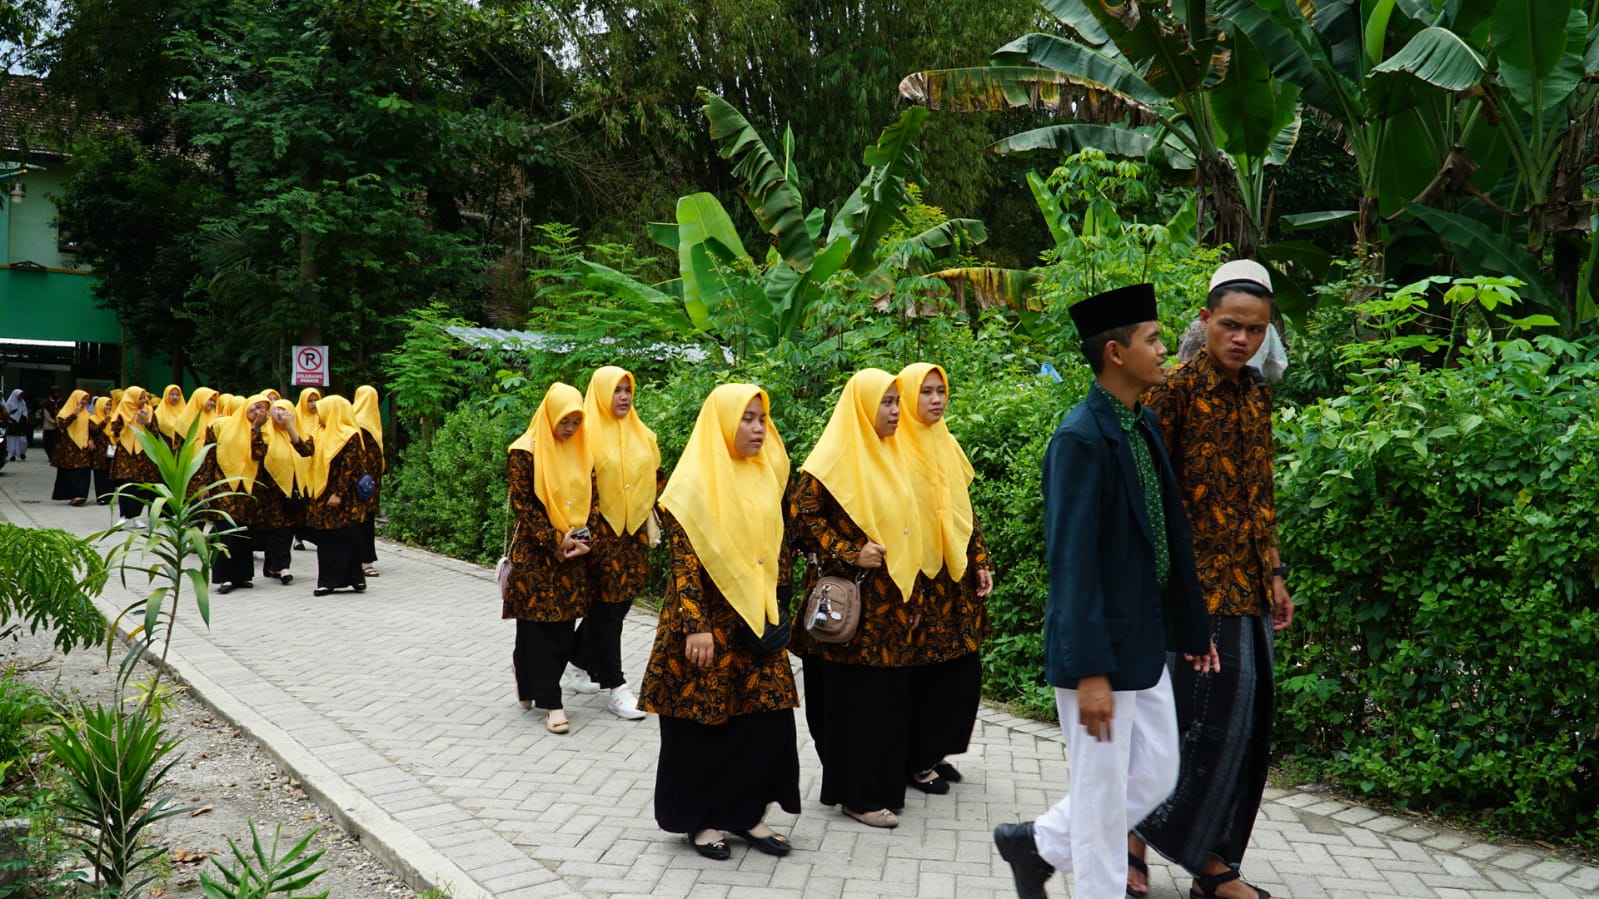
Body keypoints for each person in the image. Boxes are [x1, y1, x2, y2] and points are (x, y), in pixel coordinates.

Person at [992, 283, 1216, 899]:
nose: (1166, 348)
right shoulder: (1080, 437)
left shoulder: (1140, 424)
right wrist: (1089, 671)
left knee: (1158, 772)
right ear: (1115, 353)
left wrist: (1191, 630)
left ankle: (1035, 843)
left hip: (1141, 640)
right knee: (1100, 793)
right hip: (1100, 651)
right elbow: (1073, 563)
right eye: (1154, 340)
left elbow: (1166, 536)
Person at [1129, 260, 1294, 899]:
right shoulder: (1173, 390)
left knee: (1248, 726)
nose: (1241, 340)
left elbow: (1260, 493)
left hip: (1248, 585)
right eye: (1230, 325)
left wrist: (1275, 571)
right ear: (1204, 320)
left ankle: (1216, 861)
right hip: (1194, 590)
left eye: (1255, 331)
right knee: (1186, 721)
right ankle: (1136, 843)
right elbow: (1150, 494)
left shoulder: (1256, 393)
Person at [639, 383, 801, 861]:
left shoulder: (765, 474)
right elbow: (684, 565)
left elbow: (777, 550)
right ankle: (701, 819)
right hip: (705, 624)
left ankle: (747, 813)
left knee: (764, 721)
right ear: (723, 422)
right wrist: (696, 625)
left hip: (757, 623)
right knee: (701, 724)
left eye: (761, 419)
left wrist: (781, 607)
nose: (757, 428)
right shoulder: (690, 487)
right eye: (747, 419)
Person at [786, 368, 922, 829]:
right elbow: (800, 521)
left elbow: (910, 530)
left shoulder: (895, 455)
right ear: (862, 406)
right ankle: (857, 794)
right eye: (885, 402)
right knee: (853, 704)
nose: (895, 411)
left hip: (891, 604)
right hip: (850, 606)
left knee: (886, 701)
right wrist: (850, 552)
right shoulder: (828, 462)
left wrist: (913, 594)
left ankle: (874, 786)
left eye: (896, 402)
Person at [897, 363, 996, 796]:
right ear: (906, 397)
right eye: (927, 392)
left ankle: (937, 751)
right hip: (920, 578)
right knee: (924, 675)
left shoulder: (946, 441)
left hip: (954, 579)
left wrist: (980, 559)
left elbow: (962, 510)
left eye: (941, 391)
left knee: (960, 672)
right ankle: (915, 760)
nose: (937, 400)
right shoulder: (896, 447)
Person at [502, 383, 599, 734]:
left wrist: (587, 540)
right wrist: (555, 540)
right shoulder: (523, 452)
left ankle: (526, 675)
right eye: (565, 421)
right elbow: (523, 505)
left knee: (560, 630)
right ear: (549, 415)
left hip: (573, 555)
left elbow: (594, 500)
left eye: (576, 421)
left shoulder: (582, 451)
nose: (570, 428)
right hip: (536, 555)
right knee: (537, 630)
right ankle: (552, 703)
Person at [565, 366, 659, 721]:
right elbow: (573, 484)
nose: (623, 396)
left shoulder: (642, 433)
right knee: (606, 611)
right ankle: (616, 686)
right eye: (616, 390)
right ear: (602, 392)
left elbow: (655, 478)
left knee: (617, 607)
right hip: (600, 535)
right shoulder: (583, 435)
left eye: (627, 389)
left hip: (632, 534)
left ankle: (570, 662)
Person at [302, 395, 381, 596]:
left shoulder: (349, 435)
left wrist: (338, 493)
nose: (318, 414)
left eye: (322, 410)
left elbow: (349, 467)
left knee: (348, 537)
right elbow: (304, 450)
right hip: (322, 495)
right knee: (327, 539)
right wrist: (289, 428)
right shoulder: (319, 432)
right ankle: (327, 581)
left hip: (344, 498)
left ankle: (355, 579)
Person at [108, 387, 160, 526]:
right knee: (125, 483)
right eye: (140, 398)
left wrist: (146, 422)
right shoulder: (122, 410)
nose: (143, 401)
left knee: (141, 485)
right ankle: (123, 516)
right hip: (126, 452)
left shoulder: (149, 411)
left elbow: (155, 433)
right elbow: (114, 431)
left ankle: (136, 516)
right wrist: (126, 420)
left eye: (144, 398)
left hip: (143, 453)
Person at [351, 385, 384, 577]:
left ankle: (362, 559)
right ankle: (365, 561)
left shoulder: (364, 419)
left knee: (362, 521)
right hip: (364, 483)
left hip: (365, 483)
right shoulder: (362, 421)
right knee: (364, 522)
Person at [49, 389, 96, 505]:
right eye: (82, 399)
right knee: (72, 472)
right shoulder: (64, 412)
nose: (84, 402)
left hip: (83, 446)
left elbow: (90, 428)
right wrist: (74, 415)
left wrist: (91, 439)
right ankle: (74, 496)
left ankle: (81, 496)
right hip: (69, 447)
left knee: (84, 470)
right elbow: (61, 425)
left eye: (86, 399)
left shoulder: (86, 413)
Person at [292, 389, 322, 551]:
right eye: (309, 400)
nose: (313, 404)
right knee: (300, 502)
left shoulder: (322, 418)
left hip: (316, 466)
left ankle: (314, 534)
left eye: (315, 400)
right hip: (300, 465)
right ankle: (298, 537)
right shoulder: (295, 418)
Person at [88, 396, 115, 504]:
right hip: (99, 451)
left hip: (111, 448)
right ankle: (101, 497)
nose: (108, 407)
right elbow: (94, 431)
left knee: (110, 473)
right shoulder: (93, 418)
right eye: (106, 405)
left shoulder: (114, 418)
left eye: (109, 405)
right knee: (100, 474)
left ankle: (109, 497)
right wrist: (104, 421)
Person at [153, 384, 187, 449]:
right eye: (171, 394)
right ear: (166, 395)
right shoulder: (158, 412)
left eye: (178, 395)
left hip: (182, 448)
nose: (175, 397)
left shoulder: (185, 411)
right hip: (165, 447)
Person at [4, 389, 28, 461]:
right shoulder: (9, 403)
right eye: (19, 395)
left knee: (22, 440)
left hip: (20, 423)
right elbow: (6, 413)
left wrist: (23, 417)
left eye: (21, 395)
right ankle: (12, 455)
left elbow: (25, 411)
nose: (20, 397)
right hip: (12, 423)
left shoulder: (23, 402)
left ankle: (21, 452)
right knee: (12, 440)